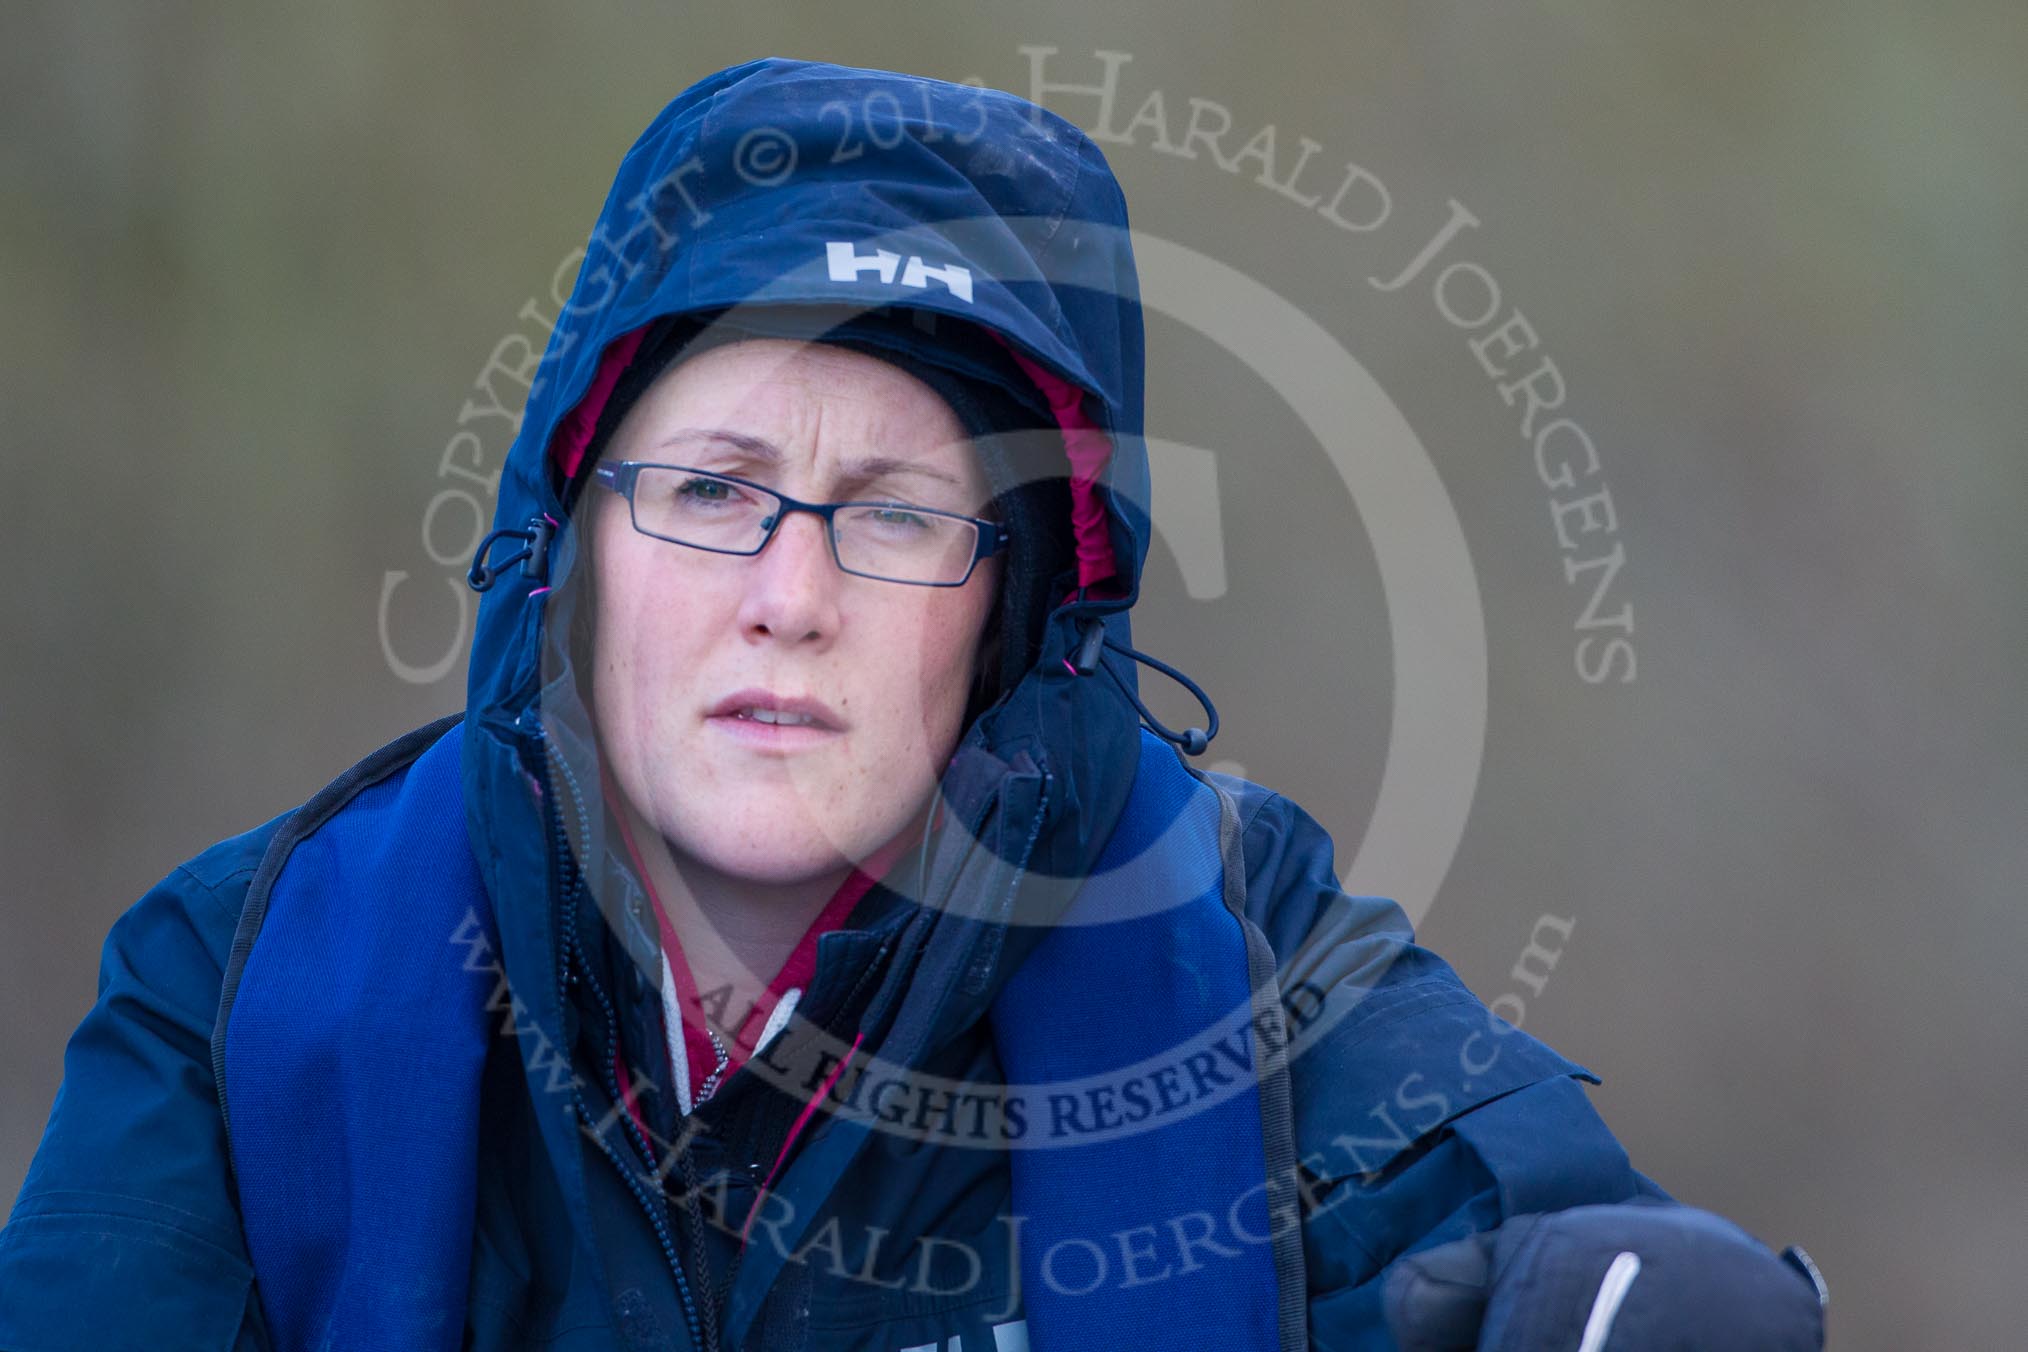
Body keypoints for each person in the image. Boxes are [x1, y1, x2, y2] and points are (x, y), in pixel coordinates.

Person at [0, 58, 1828, 1351]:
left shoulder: (1257, 979)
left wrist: (1640, 1300)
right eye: (710, 489)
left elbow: (1554, 1245)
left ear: (1012, 613)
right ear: (573, 551)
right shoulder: (241, 990)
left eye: (895, 518)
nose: (788, 596)